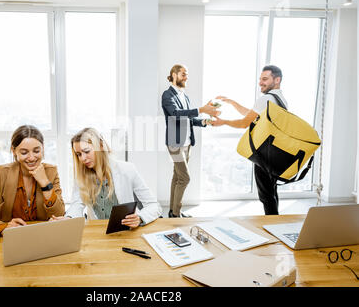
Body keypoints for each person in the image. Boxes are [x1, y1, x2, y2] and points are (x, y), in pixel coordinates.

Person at [211, 65, 288, 215]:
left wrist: (223, 122)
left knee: (266, 196)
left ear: (277, 80)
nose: (260, 82)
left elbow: (244, 123)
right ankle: (276, 222)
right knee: (271, 192)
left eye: (265, 79)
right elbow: (251, 114)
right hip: (276, 153)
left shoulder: (265, 99)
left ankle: (273, 226)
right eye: (260, 79)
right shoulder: (280, 99)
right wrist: (232, 102)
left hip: (264, 154)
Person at [0, 125, 66, 237]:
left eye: (36, 151)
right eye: (24, 152)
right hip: (9, 239)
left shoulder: (51, 171)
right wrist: (5, 228)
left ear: (43, 148)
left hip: (43, 237)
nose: (31, 158)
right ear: (14, 151)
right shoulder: (0, 173)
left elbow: (59, 215)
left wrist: (45, 183)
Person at [66, 127, 162, 227]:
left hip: (125, 231)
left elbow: (154, 205)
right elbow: (77, 204)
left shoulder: (127, 169)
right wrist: (68, 218)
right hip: (97, 231)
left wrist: (140, 218)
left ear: (101, 146)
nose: (83, 158)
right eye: (78, 154)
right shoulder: (81, 176)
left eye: (86, 151)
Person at [161, 64, 220, 218]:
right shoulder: (167, 95)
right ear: (174, 75)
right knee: (185, 178)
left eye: (186, 74)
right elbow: (176, 114)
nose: (186, 77)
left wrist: (205, 121)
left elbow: (190, 118)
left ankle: (173, 211)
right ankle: (176, 213)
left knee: (177, 176)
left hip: (187, 143)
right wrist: (201, 109)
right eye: (183, 74)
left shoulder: (184, 96)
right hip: (175, 143)